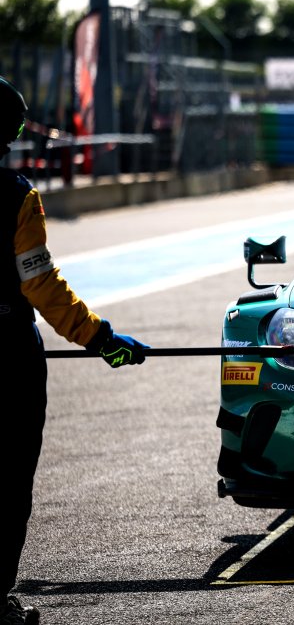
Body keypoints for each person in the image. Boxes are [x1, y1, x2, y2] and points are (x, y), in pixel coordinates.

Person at [0, 76, 149, 625]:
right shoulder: (16, 196)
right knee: (6, 479)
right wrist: (102, 340)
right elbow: (40, 285)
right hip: (4, 355)